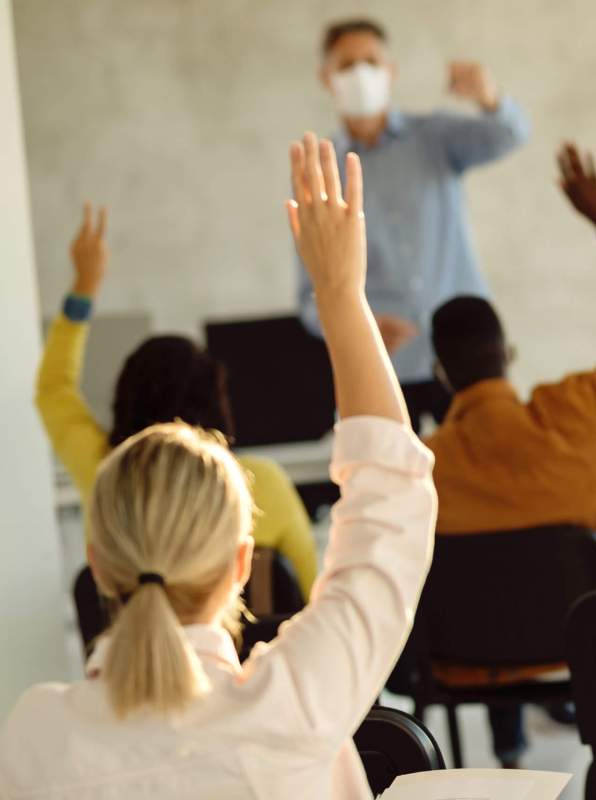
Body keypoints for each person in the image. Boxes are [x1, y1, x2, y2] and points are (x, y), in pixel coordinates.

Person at [2, 134, 437, 798]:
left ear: (98, 560)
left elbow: (53, 391)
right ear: (240, 563)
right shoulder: (297, 701)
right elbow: (387, 514)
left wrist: (84, 288)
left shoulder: (35, 733)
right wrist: (342, 293)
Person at [424, 143, 596, 767]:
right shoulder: (583, 413)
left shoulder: (420, 467)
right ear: (507, 355)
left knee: (485, 573)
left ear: (441, 373)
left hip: (463, 664)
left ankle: (507, 751)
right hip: (592, 646)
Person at [36, 205, 318, 598]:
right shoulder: (262, 486)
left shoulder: (104, 476)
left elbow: (53, 390)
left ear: (124, 402)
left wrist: (85, 285)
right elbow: (313, 595)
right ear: (216, 402)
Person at [299, 17, 530, 430]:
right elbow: (310, 291)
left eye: (370, 61)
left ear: (390, 71)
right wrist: (352, 320)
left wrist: (488, 97)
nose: (360, 74)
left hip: (465, 356)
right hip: (382, 365)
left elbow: (508, 135)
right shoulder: (322, 169)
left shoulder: (433, 138)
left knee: (486, 476)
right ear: (326, 78)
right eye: (346, 65)